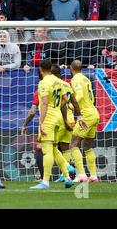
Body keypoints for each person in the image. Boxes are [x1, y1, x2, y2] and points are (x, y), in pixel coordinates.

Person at [29, 59, 75, 190]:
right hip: (58, 117)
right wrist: (56, 109)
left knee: (47, 150)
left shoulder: (43, 83)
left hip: (48, 118)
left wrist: (42, 122)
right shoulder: (59, 81)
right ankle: (67, 178)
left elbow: (43, 103)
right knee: (55, 149)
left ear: (40, 69)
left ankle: (45, 181)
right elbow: (65, 99)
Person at [69, 60, 100, 183]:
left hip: (86, 115)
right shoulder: (86, 78)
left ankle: (81, 174)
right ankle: (93, 176)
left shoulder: (75, 79)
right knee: (87, 146)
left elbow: (80, 95)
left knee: (73, 144)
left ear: (72, 69)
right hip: (94, 113)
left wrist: (71, 106)